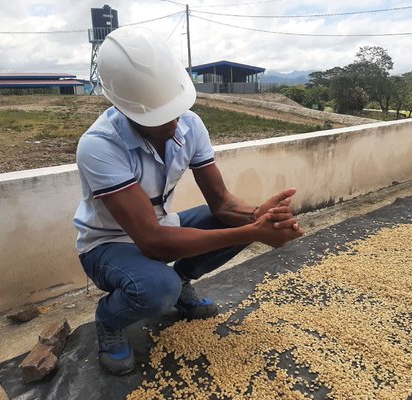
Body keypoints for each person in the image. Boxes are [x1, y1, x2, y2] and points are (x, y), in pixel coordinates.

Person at [73, 26, 304, 376]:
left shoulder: (190, 126)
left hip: (160, 229)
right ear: (126, 109)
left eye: (176, 110)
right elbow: (153, 242)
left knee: (235, 222)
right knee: (156, 287)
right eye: (160, 116)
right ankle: (109, 318)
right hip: (106, 246)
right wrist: (253, 232)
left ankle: (181, 284)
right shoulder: (99, 146)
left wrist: (259, 215)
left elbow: (222, 204)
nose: (174, 122)